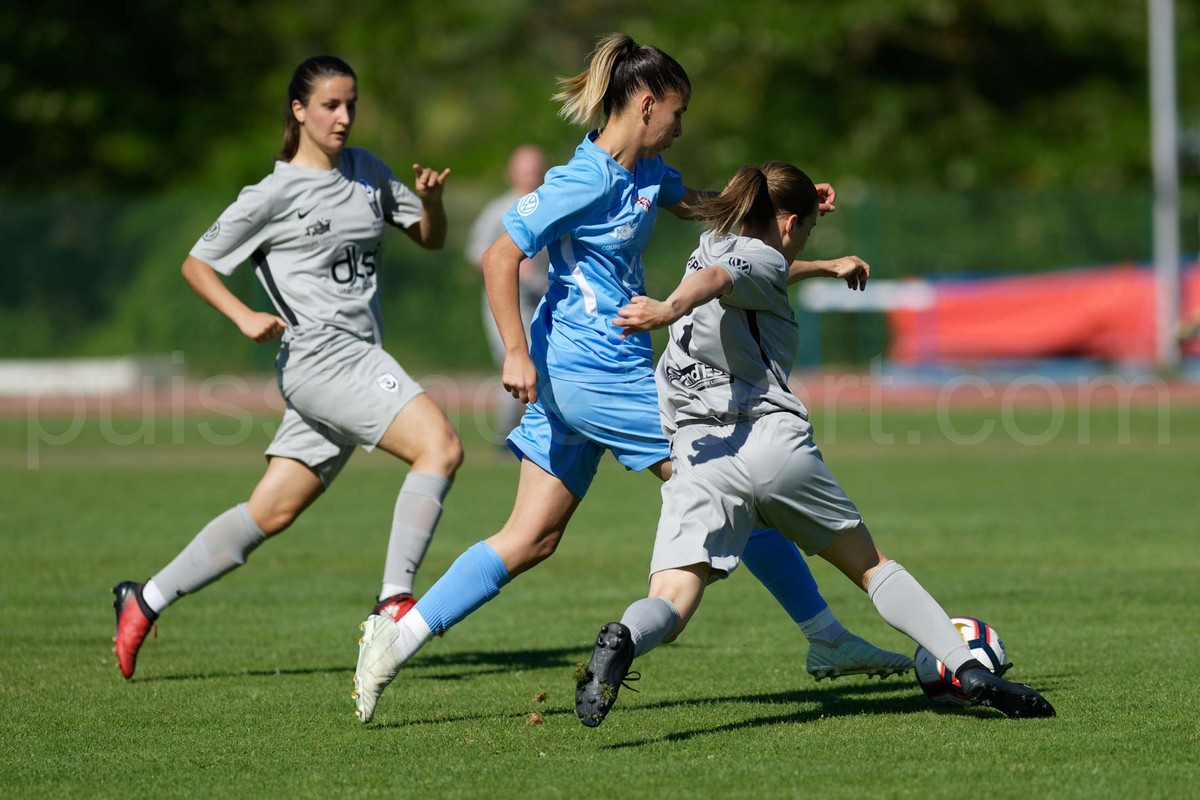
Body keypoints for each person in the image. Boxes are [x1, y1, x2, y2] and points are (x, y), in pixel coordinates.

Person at [352, 33, 909, 723]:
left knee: (531, 537)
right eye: (677, 112)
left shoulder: (648, 172)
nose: (681, 127)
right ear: (647, 104)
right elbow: (500, 257)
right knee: (734, 481)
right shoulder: (583, 179)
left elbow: (705, 205)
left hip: (588, 376)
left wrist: (792, 213)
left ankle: (394, 639)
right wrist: (514, 352)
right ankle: (825, 638)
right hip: (588, 373)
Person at [573, 162, 1056, 725]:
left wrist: (826, 263)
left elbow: (749, 268)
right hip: (771, 444)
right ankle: (967, 668)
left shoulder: (713, 241)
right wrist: (668, 308)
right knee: (872, 568)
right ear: (788, 223)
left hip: (700, 456)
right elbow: (726, 278)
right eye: (807, 231)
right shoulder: (744, 263)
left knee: (671, 602)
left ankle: (626, 637)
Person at [111, 56, 463, 680]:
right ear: (299, 110)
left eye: (351, 104)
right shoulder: (271, 195)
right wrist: (243, 315)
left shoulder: (368, 172)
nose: (344, 117)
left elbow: (429, 237)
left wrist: (432, 204)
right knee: (440, 446)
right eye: (330, 105)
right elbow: (197, 265)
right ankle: (393, 601)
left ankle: (145, 598)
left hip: (355, 359)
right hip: (321, 360)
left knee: (269, 512)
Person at [465, 145, 551, 445]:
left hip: (545, 299)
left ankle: (531, 434)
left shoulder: (551, 205)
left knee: (544, 363)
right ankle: (507, 435)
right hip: (509, 302)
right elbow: (477, 254)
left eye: (535, 168)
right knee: (520, 362)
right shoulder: (499, 210)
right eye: (524, 169)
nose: (530, 175)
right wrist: (510, 265)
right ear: (512, 172)